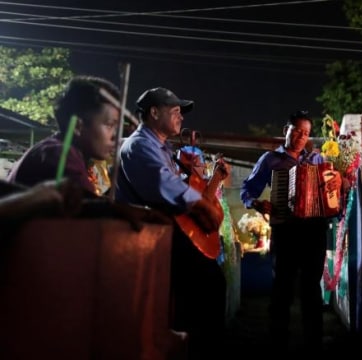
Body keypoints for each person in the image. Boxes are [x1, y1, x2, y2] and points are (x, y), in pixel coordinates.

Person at [114, 87, 227, 360]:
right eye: (175, 111)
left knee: (201, 293)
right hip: (151, 241)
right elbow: (164, 188)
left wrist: (209, 185)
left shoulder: (160, 148)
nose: (181, 118)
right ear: (154, 112)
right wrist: (202, 207)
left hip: (167, 238)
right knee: (206, 288)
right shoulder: (139, 146)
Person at [240, 110, 341, 355]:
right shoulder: (270, 160)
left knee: (311, 289)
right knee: (282, 287)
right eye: (296, 130)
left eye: (305, 133)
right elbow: (248, 190)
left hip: (313, 231)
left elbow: (332, 193)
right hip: (285, 230)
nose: (300, 136)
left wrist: (337, 182)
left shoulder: (317, 160)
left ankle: (313, 342)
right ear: (286, 129)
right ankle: (278, 341)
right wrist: (257, 203)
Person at [7, 75, 120, 196]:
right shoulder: (60, 154)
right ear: (78, 126)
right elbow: (90, 209)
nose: (116, 136)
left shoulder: (55, 149)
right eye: (109, 125)